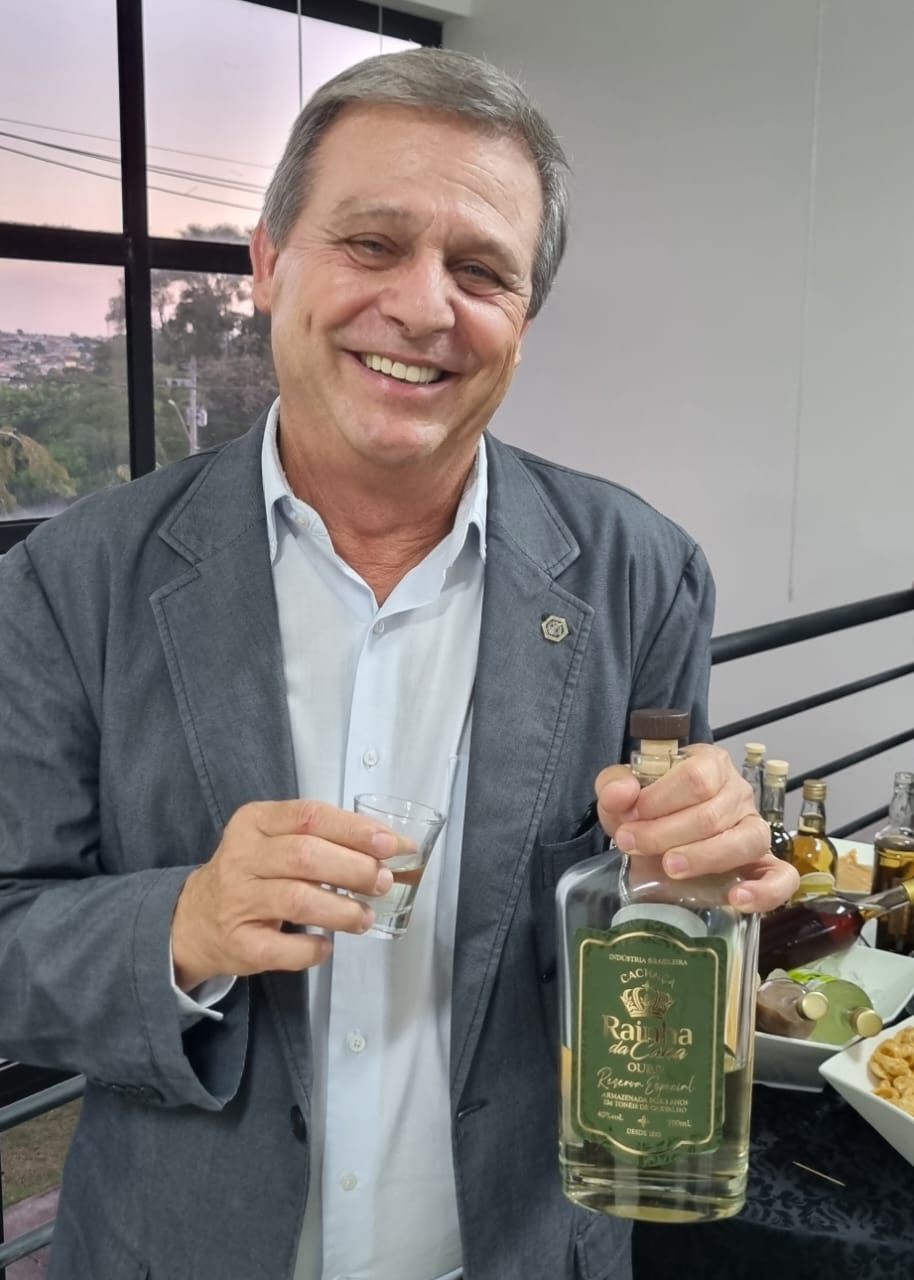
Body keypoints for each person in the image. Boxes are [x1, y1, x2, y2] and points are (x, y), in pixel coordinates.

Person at [0, 48, 796, 1280]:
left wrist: (688, 881)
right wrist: (186, 922)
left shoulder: (640, 573)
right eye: (371, 243)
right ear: (269, 261)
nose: (425, 307)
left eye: (481, 271)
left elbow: (641, 924)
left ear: (522, 321)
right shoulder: (74, 579)